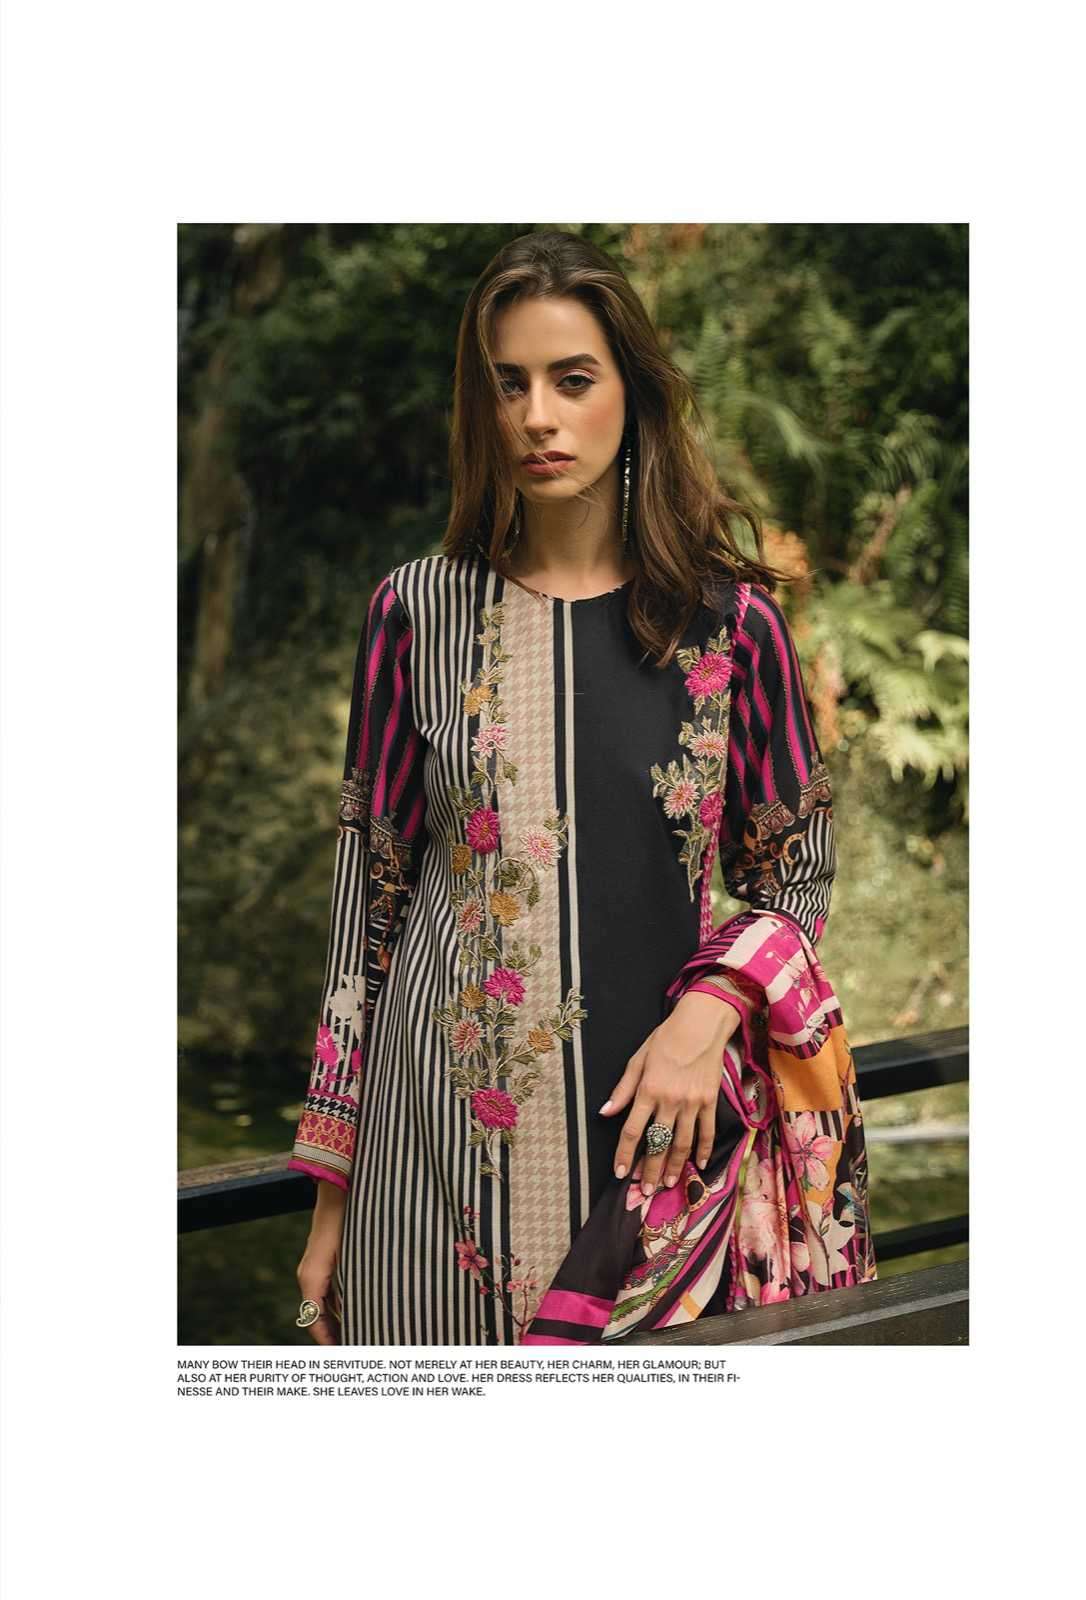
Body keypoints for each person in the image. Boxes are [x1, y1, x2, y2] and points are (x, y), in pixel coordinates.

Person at [288, 229, 877, 1346]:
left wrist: (709, 1013)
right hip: (428, 1163)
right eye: (506, 385)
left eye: (571, 380)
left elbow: (795, 880)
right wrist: (330, 1202)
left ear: (631, 396)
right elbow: (366, 911)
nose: (536, 417)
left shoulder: (730, 627)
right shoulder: (416, 612)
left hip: (657, 1161)